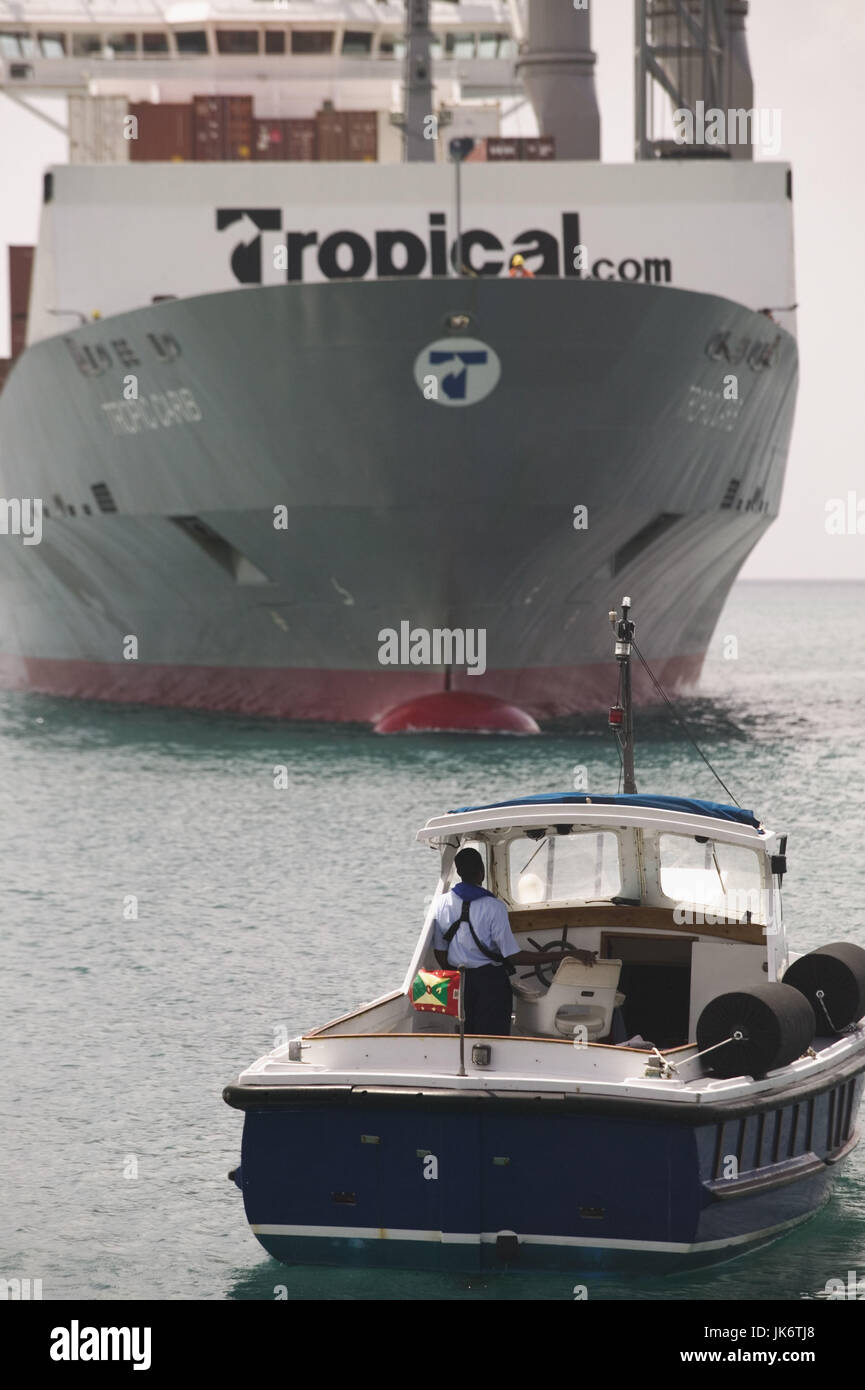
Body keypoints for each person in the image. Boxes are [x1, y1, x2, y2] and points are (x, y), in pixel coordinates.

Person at [432, 847, 596, 1036]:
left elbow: (440, 953)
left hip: (459, 983)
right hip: (489, 983)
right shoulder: (494, 907)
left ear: (458, 872)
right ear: (482, 872)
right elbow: (514, 956)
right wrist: (567, 954)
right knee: (493, 1038)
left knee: (467, 1033)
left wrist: (460, 975)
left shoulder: (441, 903)